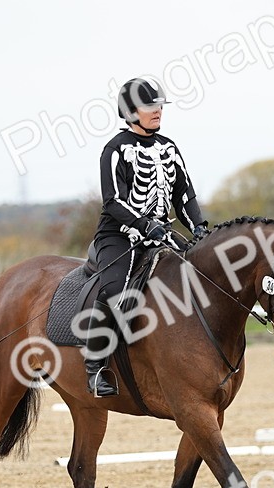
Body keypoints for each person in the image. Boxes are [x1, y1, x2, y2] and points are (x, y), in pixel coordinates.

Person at [81, 77, 210, 397]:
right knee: (114, 290)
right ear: (130, 112)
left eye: (159, 106)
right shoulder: (115, 149)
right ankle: (95, 367)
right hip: (120, 234)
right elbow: (113, 201)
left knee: (203, 275)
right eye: (149, 106)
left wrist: (198, 227)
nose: (157, 111)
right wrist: (144, 225)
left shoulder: (169, 147)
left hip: (161, 232)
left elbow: (184, 195)